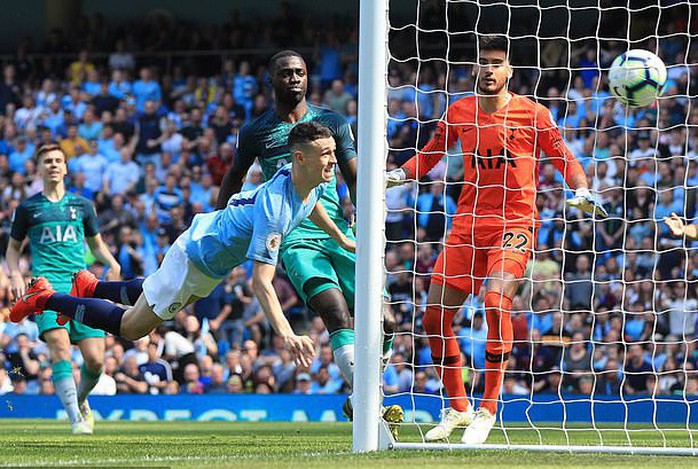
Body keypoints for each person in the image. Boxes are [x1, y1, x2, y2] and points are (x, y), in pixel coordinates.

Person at [386, 36, 606, 444]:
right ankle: (456, 406)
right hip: (467, 226)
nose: (488, 69)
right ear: (475, 68)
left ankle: (488, 408)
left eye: (496, 63)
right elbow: (431, 154)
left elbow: (566, 159)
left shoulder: (532, 114)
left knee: (494, 301)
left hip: (515, 223)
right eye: (483, 62)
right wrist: (398, 174)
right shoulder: (460, 111)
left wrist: (581, 189)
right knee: (434, 318)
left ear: (509, 71)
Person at [11, 122, 352, 370]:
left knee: (151, 292)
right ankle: (45, 297)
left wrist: (339, 238)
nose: (333, 161)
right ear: (300, 158)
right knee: (133, 328)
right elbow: (260, 283)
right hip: (195, 257)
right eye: (325, 154)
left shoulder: (310, 180)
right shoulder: (275, 208)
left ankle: (92, 286)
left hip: (212, 260)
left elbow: (313, 205)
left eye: (333, 153)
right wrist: (287, 334)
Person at [216, 50, 403, 433]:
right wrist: (221, 222)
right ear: (271, 80)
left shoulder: (332, 122)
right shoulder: (255, 131)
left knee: (385, 320)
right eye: (286, 73)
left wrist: (365, 222)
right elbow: (233, 178)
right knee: (336, 314)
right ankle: (372, 406)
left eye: (300, 72)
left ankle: (361, 395)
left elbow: (355, 176)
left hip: (339, 230)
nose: (295, 79)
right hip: (296, 236)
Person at [6, 143, 121, 434]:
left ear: (66, 168)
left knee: (96, 361)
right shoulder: (28, 208)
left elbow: (95, 244)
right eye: (47, 161)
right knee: (59, 347)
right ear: (39, 168)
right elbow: (13, 249)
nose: (54, 165)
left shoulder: (82, 206)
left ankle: (80, 400)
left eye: (58, 160)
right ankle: (75, 419)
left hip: (81, 284)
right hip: (45, 285)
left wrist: (113, 263)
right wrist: (17, 276)